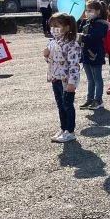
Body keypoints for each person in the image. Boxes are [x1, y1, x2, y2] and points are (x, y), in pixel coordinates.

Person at [43, 12, 82, 143]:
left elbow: (74, 65)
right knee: (60, 105)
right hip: (56, 78)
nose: (53, 29)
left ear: (66, 27)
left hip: (67, 80)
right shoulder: (53, 42)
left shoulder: (72, 45)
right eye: (51, 26)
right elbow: (50, 59)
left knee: (68, 105)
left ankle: (70, 131)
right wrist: (46, 54)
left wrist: (72, 83)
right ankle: (63, 128)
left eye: (57, 26)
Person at [77, 0, 109, 110]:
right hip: (85, 54)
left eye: (90, 10)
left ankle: (98, 100)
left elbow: (94, 37)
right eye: (86, 10)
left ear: (98, 11)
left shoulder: (101, 23)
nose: (87, 12)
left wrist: (81, 37)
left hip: (95, 54)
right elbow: (80, 32)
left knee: (97, 78)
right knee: (90, 79)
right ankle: (90, 99)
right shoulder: (85, 22)